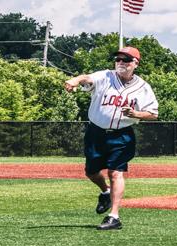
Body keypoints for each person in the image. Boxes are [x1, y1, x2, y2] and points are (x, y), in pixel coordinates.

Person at [63, 46, 159, 230]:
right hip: (95, 132)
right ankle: (105, 192)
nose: (121, 63)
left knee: (115, 173)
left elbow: (153, 113)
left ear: (135, 64)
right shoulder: (106, 76)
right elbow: (87, 78)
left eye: (126, 60)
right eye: (118, 59)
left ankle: (114, 216)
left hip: (122, 136)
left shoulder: (143, 87)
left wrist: (136, 113)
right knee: (91, 172)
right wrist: (75, 80)